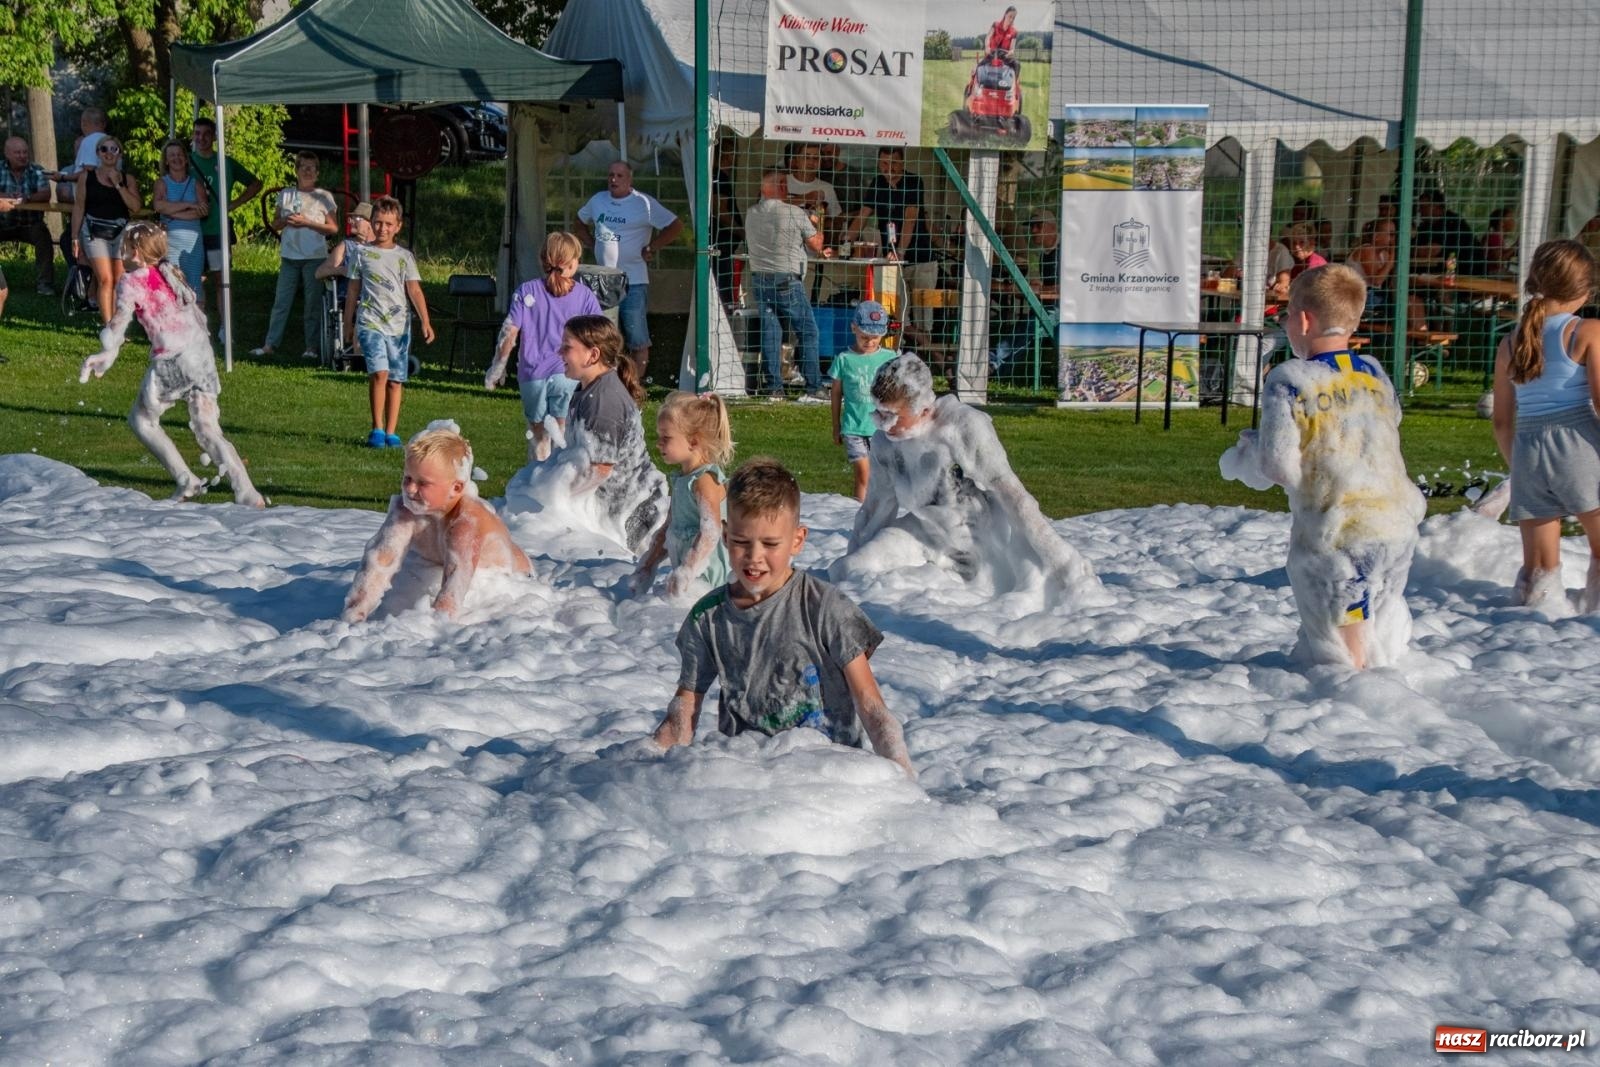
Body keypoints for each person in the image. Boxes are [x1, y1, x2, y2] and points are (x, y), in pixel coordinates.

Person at [651, 457, 915, 778]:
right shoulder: (708, 618)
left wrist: (903, 779)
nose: (754, 557)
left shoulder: (826, 608)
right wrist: (649, 764)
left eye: (770, 544)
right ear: (724, 535)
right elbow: (684, 711)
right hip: (749, 776)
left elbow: (871, 707)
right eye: (741, 542)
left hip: (833, 777)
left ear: (797, 540)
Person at [1219, 263, 1424, 669]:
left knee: (1349, 661)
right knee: (1380, 637)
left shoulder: (1290, 380)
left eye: (1288, 314)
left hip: (1342, 537)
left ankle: (1360, 722)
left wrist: (1249, 456)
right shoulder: (1375, 373)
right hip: (1398, 527)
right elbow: (1381, 430)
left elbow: (1278, 465)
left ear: (1304, 319)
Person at [844, 352, 1101, 605]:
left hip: (980, 542)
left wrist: (1062, 560)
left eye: (890, 416)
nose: (880, 424)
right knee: (857, 568)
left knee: (971, 594)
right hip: (925, 533)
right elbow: (877, 504)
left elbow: (1013, 495)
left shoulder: (962, 427)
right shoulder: (885, 442)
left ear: (922, 408)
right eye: (877, 413)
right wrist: (855, 551)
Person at [76, 222, 264, 508]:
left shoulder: (131, 280)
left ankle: (186, 479)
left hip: (174, 357)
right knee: (207, 428)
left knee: (141, 420)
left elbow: (116, 327)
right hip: (201, 355)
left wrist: (106, 353)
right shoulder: (169, 270)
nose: (121, 251)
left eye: (125, 246)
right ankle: (247, 491)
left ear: (136, 252)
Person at [1489, 239, 1600, 611]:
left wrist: (1519, 467)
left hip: (1528, 448)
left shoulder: (1509, 342)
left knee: (1537, 570)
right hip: (1580, 443)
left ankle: (1528, 636)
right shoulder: (1587, 331)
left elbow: (1503, 421)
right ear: (1586, 290)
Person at [343, 422, 530, 623]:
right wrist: (353, 617)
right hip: (449, 572)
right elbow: (380, 560)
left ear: (456, 488)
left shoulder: (465, 521)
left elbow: (452, 592)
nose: (411, 489)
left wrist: (431, 629)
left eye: (423, 483)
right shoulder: (406, 511)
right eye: (407, 478)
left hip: (513, 583)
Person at [483, 232, 602, 464]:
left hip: (532, 376)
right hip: (568, 373)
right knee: (562, 432)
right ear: (572, 263)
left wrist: (497, 368)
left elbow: (509, 335)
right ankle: (559, 483)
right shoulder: (584, 296)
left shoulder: (527, 292)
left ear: (542, 261)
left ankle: (536, 480)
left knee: (538, 436)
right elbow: (599, 334)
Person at [555, 313, 666, 554]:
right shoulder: (589, 389)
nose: (559, 352)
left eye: (567, 347)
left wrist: (557, 501)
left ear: (593, 355)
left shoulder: (603, 402)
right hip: (622, 508)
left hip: (634, 513)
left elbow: (601, 469)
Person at [574, 160, 683, 379]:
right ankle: (602, 382)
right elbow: (579, 221)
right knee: (601, 335)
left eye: (619, 176)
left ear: (629, 179)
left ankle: (633, 386)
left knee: (637, 337)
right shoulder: (598, 200)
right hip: (602, 281)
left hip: (633, 279)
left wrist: (653, 247)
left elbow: (676, 225)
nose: (613, 180)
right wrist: (590, 242)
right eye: (611, 175)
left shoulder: (643, 203)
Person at [342, 196, 435, 448]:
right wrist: (348, 324)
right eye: (378, 223)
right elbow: (352, 290)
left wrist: (425, 321)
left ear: (398, 226)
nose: (383, 228)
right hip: (371, 322)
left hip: (398, 326)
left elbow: (414, 291)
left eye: (388, 224)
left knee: (395, 379)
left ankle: (392, 431)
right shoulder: (362, 254)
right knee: (379, 372)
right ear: (371, 223)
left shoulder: (404, 257)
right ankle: (377, 428)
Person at [631, 391, 734, 597]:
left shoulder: (704, 481)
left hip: (709, 579)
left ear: (693, 442)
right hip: (687, 577)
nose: (659, 443)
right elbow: (669, 527)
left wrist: (687, 571)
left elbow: (710, 532)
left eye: (666, 437)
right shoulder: (681, 479)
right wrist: (648, 564)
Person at [745, 168, 831, 400]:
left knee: (771, 331)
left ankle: (774, 387)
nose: (786, 187)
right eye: (783, 183)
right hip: (787, 279)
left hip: (760, 277)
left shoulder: (751, 213)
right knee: (808, 331)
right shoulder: (794, 213)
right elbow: (816, 244)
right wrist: (817, 220)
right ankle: (814, 386)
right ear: (778, 187)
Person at [844, 147, 937, 346]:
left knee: (924, 317)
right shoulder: (877, 183)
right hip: (893, 261)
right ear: (879, 163)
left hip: (921, 258)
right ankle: (926, 357)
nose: (889, 168)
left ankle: (929, 361)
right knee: (896, 315)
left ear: (902, 163)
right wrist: (844, 243)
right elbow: (863, 215)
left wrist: (901, 250)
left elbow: (910, 218)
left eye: (894, 163)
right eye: (885, 163)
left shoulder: (913, 182)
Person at [254, 151, 337, 359]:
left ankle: (311, 347)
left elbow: (334, 228)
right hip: (289, 256)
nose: (307, 171)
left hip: (314, 256)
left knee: (312, 304)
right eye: (303, 167)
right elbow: (275, 223)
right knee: (281, 302)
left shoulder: (324, 197)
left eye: (311, 168)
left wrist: (307, 222)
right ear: (297, 171)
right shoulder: (286, 194)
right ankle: (270, 344)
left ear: (317, 173)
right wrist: (285, 220)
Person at [189, 116, 263, 331]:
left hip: (216, 230)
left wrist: (234, 203)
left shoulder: (225, 162)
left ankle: (224, 327)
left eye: (205, 134)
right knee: (192, 279)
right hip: (191, 230)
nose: (201, 138)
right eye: (197, 133)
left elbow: (255, 183)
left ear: (213, 137)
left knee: (221, 280)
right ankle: (195, 326)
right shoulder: (186, 161)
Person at [829, 300, 898, 501]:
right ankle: (858, 516)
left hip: (881, 428)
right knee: (863, 475)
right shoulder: (844, 359)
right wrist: (836, 425)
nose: (870, 342)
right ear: (853, 328)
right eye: (864, 337)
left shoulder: (890, 357)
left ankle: (880, 515)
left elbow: (896, 393)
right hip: (854, 428)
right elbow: (835, 394)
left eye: (875, 338)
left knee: (884, 476)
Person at [69, 135, 141, 325]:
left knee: (118, 280)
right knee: (105, 279)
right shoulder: (87, 177)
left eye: (113, 149)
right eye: (104, 149)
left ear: (119, 154)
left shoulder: (127, 179)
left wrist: (118, 184)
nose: (109, 153)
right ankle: (108, 325)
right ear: (97, 154)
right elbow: (79, 207)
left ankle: (117, 325)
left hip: (120, 231)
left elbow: (135, 207)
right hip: (94, 231)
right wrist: (74, 237)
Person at [990, 208, 1059, 373]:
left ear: (1052, 227)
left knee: (1030, 325)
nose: (1033, 230)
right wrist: (1039, 286)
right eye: (1032, 226)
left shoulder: (1064, 252)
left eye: (1038, 226)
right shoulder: (1045, 255)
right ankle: (995, 363)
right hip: (1048, 306)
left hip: (1064, 309)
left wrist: (1041, 288)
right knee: (1025, 324)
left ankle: (994, 363)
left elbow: (1068, 288)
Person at [151, 140, 209, 295]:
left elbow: (202, 211)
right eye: (172, 155)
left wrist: (172, 212)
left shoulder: (196, 184)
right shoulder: (161, 183)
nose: (176, 158)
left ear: (185, 157)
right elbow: (159, 206)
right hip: (170, 244)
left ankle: (194, 318)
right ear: (166, 160)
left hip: (193, 245)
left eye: (179, 154)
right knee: (171, 284)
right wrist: (189, 205)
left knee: (194, 285)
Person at [0, 136, 57, 295]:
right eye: (17, 152)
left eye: (25, 152)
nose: (22, 156)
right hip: (2, 223)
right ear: (7, 154)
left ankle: (45, 285)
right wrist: (8, 195)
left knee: (43, 239)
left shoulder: (37, 170)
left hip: (30, 224)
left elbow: (45, 194)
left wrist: (28, 198)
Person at [785, 143, 843, 239]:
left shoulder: (827, 188)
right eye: (806, 157)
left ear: (821, 162)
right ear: (797, 160)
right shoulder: (781, 182)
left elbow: (836, 219)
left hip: (812, 249)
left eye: (816, 158)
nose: (811, 162)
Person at [1414, 189, 1477, 270]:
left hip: (1464, 272)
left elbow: (1434, 250)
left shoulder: (1454, 223)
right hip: (1435, 272)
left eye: (1423, 207)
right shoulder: (1425, 226)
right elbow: (1413, 248)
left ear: (1437, 207)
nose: (1419, 210)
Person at [1267, 222, 1326, 303]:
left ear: (1312, 242)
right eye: (1294, 243)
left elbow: (1309, 295)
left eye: (1301, 242)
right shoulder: (1296, 261)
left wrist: (1288, 289)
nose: (1296, 247)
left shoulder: (1316, 265)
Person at [1481, 206, 1518, 275]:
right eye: (1511, 219)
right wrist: (1515, 246)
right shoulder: (1495, 237)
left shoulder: (1496, 236)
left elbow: (1502, 254)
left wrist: (1516, 245)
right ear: (1502, 222)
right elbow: (1499, 261)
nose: (1514, 222)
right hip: (1492, 273)